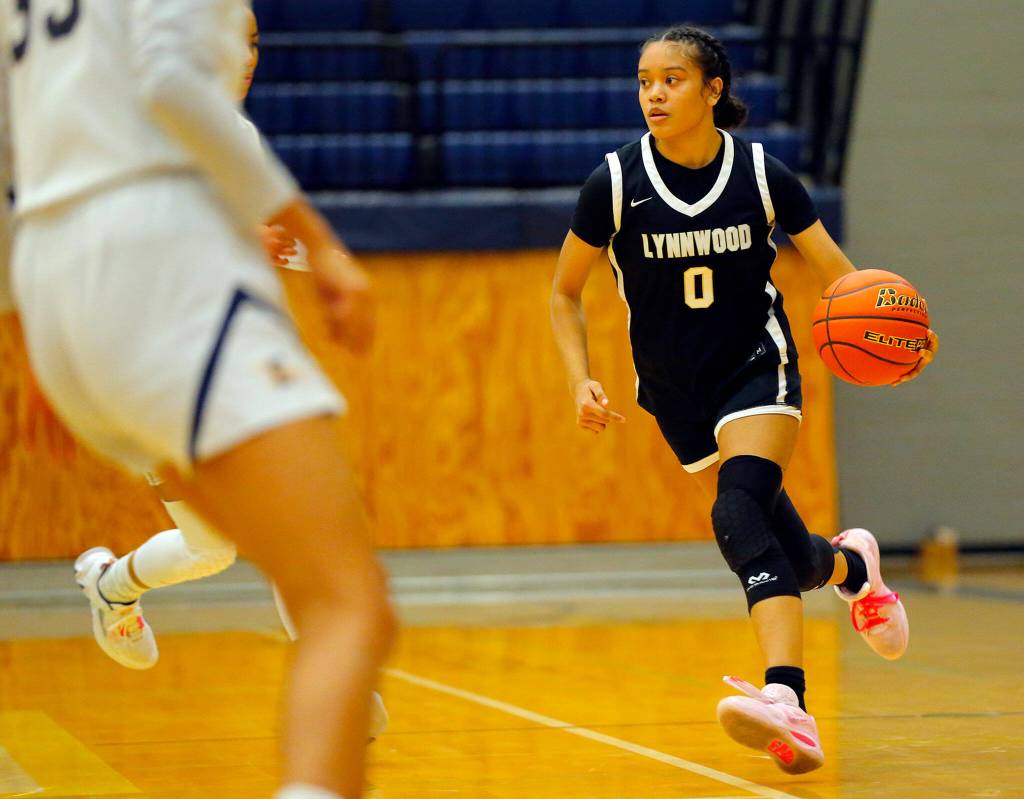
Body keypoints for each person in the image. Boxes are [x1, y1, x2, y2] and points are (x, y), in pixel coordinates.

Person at [0, 2, 394, 798]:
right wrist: (316, 242)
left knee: (221, 547)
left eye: (254, 40)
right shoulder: (208, 119)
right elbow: (175, 82)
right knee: (346, 603)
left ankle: (112, 584)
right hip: (158, 279)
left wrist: (35, 324)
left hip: (62, 282)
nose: (242, 51)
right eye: (236, 34)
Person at [550, 25, 938, 774]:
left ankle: (786, 699)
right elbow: (564, 294)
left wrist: (899, 340)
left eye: (671, 79)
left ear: (712, 89)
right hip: (674, 393)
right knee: (779, 548)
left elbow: (842, 277)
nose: (654, 94)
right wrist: (579, 377)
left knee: (736, 512)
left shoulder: (761, 175)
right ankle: (853, 571)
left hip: (760, 370)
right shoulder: (615, 183)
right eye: (643, 81)